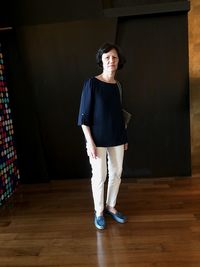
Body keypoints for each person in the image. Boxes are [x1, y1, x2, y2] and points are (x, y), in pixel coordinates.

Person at [77, 42, 128, 230]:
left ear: (118, 61)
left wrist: (125, 138)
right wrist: (89, 142)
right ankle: (99, 211)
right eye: (107, 57)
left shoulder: (118, 86)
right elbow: (83, 117)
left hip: (117, 137)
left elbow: (120, 114)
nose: (111, 60)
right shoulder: (92, 83)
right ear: (102, 60)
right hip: (96, 140)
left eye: (114, 57)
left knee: (116, 173)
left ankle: (110, 206)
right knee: (99, 176)